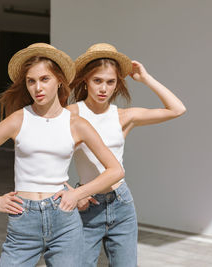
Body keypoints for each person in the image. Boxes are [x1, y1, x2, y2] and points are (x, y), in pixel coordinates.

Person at [0, 43, 124, 267]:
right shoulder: (18, 119)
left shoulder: (76, 124)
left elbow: (116, 170)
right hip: (23, 218)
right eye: (31, 81)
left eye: (44, 79)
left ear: (59, 80)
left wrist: (78, 194)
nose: (38, 87)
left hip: (64, 220)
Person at [67, 43, 186, 267]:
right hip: (86, 205)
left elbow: (177, 109)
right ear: (86, 80)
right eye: (97, 80)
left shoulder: (123, 116)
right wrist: (72, 192)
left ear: (117, 84)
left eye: (110, 82)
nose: (104, 88)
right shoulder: (71, 114)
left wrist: (146, 78)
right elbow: (47, 157)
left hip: (121, 204)